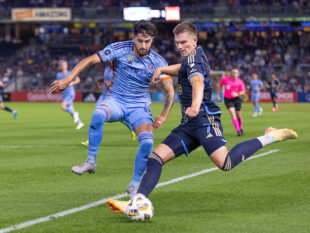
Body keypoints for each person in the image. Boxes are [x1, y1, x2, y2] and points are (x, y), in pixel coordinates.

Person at [106, 21, 298, 214]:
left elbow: (197, 81)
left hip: (204, 119)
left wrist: (196, 106)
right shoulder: (192, 57)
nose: (180, 46)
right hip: (189, 124)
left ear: (194, 40)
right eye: (177, 43)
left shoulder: (194, 61)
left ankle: (271, 136)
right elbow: (182, 69)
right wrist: (162, 69)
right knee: (155, 158)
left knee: (226, 163)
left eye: (183, 42)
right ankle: (138, 202)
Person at [50, 20, 175, 198]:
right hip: (116, 100)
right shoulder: (120, 48)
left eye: (147, 41)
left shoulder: (158, 61)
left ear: (153, 40)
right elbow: (89, 60)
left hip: (139, 106)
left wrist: (163, 115)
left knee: (147, 142)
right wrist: (67, 80)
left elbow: (170, 91)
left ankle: (134, 186)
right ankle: (91, 161)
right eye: (140, 40)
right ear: (134, 37)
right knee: (98, 113)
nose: (143, 45)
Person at [81, 62, 137, 147]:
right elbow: (106, 78)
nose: (110, 61)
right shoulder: (107, 68)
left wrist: (110, 85)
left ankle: (133, 129)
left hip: (114, 98)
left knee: (121, 118)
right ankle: (91, 141)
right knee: (96, 116)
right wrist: (99, 82)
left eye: (112, 60)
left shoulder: (120, 71)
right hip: (103, 97)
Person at [55, 60, 84, 130]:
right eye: (62, 65)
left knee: (63, 106)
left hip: (70, 93)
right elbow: (59, 83)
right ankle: (80, 123)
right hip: (64, 93)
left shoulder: (70, 73)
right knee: (71, 110)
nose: (64, 66)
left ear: (67, 65)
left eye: (65, 65)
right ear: (60, 66)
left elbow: (78, 80)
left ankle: (75, 113)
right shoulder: (58, 75)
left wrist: (72, 83)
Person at [217, 68, 245, 136]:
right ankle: (238, 131)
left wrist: (237, 94)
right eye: (233, 73)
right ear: (231, 73)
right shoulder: (225, 79)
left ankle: (240, 128)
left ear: (238, 74)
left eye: (236, 73)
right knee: (232, 113)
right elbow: (219, 85)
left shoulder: (240, 81)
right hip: (228, 99)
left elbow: (243, 91)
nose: (234, 74)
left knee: (239, 115)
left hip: (237, 99)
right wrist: (218, 95)